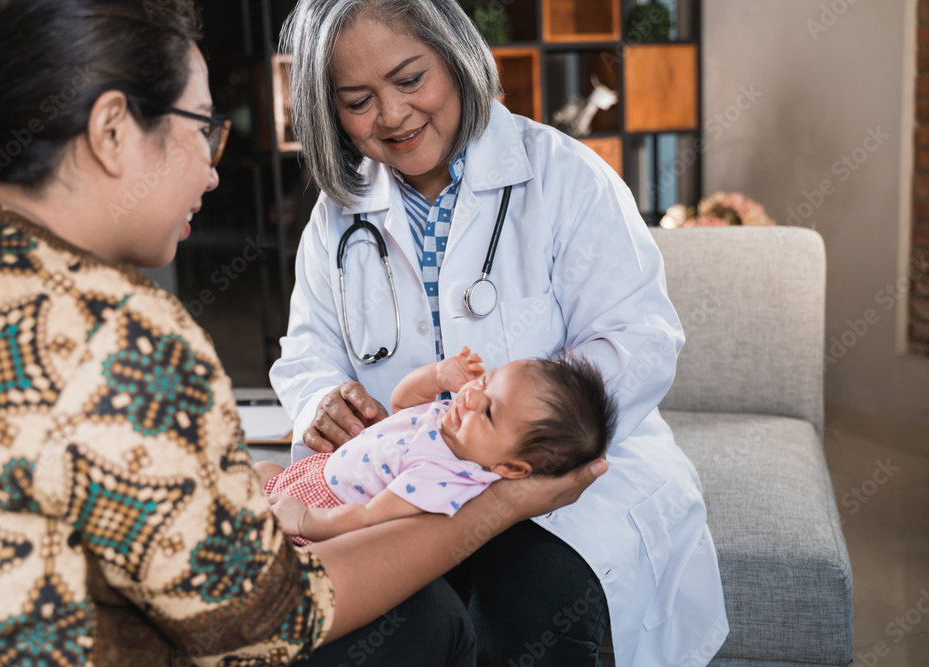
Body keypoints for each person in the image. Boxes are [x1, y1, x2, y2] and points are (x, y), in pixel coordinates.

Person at [0, 2, 607, 666]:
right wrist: (490, 506)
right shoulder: (124, 335)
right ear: (111, 130)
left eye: (407, 80)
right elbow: (266, 617)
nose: (213, 168)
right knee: (425, 621)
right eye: (203, 129)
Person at [270, 0, 730, 665]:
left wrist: (517, 435)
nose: (393, 114)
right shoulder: (337, 215)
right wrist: (322, 399)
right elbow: (306, 348)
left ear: (454, 56)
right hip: (397, 482)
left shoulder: (566, 176)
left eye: (409, 79)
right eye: (357, 99)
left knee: (525, 610)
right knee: (376, 627)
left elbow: (640, 338)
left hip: (547, 485)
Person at [258, 347, 616, 544]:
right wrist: (437, 376)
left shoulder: (445, 476)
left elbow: (368, 519)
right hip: (315, 476)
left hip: (326, 516)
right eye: (488, 381)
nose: (474, 397)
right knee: (256, 473)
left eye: (489, 413)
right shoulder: (452, 420)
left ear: (510, 469)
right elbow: (400, 403)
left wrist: (305, 519)